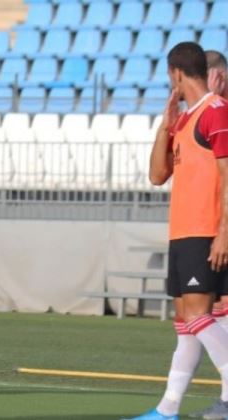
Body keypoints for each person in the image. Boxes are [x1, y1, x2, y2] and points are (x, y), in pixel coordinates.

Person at [128, 42, 228, 420]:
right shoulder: (185, 119)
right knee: (187, 320)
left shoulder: (216, 112)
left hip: (205, 228)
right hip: (183, 230)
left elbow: (226, 174)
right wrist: (165, 124)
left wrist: (224, 231)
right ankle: (167, 409)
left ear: (175, 73)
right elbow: (157, 175)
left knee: (199, 314)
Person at [188, 49, 228, 420]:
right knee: (215, 310)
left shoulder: (218, 114)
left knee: (201, 311)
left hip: (220, 227)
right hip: (214, 226)